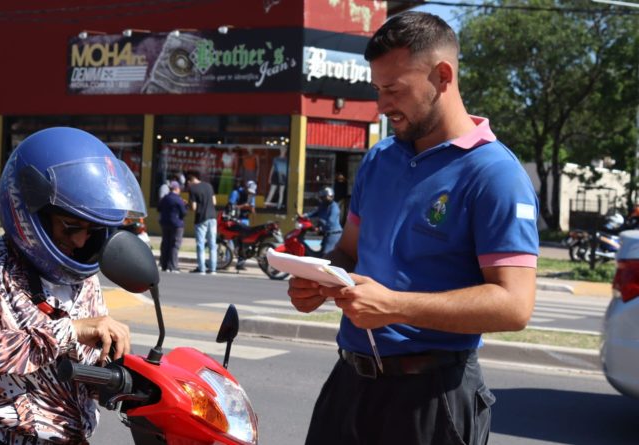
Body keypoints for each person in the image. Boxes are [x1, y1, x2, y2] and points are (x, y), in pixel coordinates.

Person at [288, 12, 538, 445]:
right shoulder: (380, 158)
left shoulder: (494, 173)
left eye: (394, 89)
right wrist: (318, 279)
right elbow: (348, 251)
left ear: (443, 76)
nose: (382, 105)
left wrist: (397, 306)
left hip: (433, 398)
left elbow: (514, 305)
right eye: (378, 89)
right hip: (349, 383)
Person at [0, 127, 145, 445]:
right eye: (71, 226)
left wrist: (120, 376)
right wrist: (69, 332)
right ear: (28, 210)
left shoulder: (83, 279)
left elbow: (80, 370)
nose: (79, 240)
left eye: (91, 230)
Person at [187, 171, 218, 274]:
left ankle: (202, 268)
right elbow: (214, 202)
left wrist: (188, 205)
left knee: (200, 244)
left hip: (201, 219)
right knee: (212, 244)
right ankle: (213, 269)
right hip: (213, 217)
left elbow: (194, 207)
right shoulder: (209, 186)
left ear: (190, 181)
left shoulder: (192, 189)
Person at [304, 186, 342, 256]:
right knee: (321, 253)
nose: (325, 198)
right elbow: (315, 212)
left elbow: (330, 222)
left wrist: (319, 225)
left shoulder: (334, 207)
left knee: (326, 255)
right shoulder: (323, 205)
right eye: (323, 197)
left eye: (327, 196)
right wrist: (305, 215)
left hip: (333, 234)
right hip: (326, 234)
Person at [157, 180, 187, 273]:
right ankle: (173, 266)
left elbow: (159, 208)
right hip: (177, 224)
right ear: (177, 189)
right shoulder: (178, 199)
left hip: (165, 223)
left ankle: (164, 264)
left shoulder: (165, 198)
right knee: (174, 244)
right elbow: (184, 212)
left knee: (165, 243)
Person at [227, 180, 257, 270]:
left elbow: (253, 211)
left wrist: (251, 207)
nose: (249, 193)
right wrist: (243, 206)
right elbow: (230, 206)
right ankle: (227, 260)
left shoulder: (251, 196)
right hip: (235, 219)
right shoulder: (236, 193)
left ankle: (241, 263)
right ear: (245, 187)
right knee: (232, 240)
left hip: (245, 220)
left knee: (244, 242)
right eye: (248, 191)